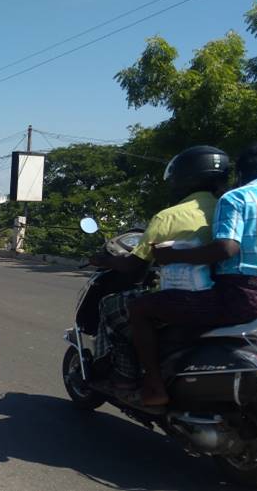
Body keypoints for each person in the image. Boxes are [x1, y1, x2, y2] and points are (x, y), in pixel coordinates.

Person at [130, 142, 257, 406]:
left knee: (140, 308)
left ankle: (155, 385)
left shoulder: (236, 198)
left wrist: (172, 256)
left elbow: (226, 248)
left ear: (240, 174)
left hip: (241, 300)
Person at [88, 145, 230, 391]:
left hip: (187, 298)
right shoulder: (233, 208)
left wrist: (104, 261)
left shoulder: (169, 217)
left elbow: (134, 265)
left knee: (111, 305)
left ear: (185, 178)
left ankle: (129, 375)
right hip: (229, 295)